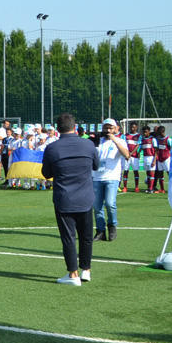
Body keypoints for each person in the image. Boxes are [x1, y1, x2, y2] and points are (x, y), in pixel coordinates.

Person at [41, 113, 99, 286]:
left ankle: (73, 274)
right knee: (86, 236)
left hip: (64, 198)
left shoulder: (52, 148)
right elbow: (96, 165)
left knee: (69, 237)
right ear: (75, 127)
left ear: (57, 129)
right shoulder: (88, 144)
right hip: (85, 197)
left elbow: (46, 173)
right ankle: (86, 269)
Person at [92, 119, 130, 242]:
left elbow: (127, 155)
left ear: (116, 129)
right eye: (106, 128)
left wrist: (114, 140)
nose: (108, 130)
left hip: (112, 177)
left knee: (110, 203)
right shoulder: (98, 141)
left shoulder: (120, 141)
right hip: (97, 177)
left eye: (111, 128)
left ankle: (112, 226)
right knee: (97, 206)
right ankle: (100, 231)